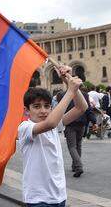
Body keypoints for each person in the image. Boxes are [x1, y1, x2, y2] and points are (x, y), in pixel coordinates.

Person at [18, 67, 88, 207]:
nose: (43, 111)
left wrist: (67, 80)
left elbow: (81, 108)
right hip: (38, 198)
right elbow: (50, 123)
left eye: (47, 106)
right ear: (26, 110)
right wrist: (70, 91)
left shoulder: (55, 125)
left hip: (59, 195)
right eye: (37, 106)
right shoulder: (25, 128)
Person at [57, 88, 92, 178]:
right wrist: (93, 121)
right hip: (82, 122)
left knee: (72, 146)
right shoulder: (84, 94)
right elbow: (88, 108)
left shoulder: (61, 95)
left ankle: (78, 166)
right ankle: (75, 165)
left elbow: (60, 109)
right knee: (78, 145)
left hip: (70, 123)